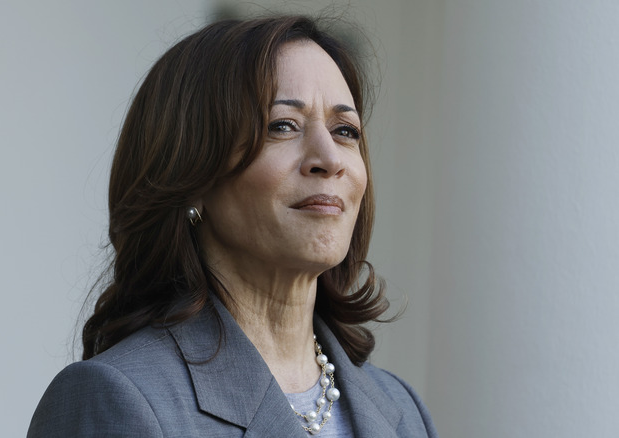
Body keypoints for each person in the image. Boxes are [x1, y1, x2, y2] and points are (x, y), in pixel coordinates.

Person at [27, 15, 438, 437]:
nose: (329, 159)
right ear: (191, 174)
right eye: (283, 126)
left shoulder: (402, 411)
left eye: (345, 131)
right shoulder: (119, 397)